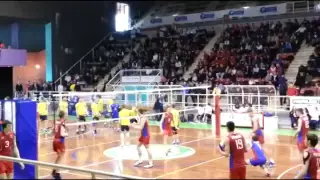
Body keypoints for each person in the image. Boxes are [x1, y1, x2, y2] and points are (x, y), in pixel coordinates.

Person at [52, 111, 68, 180]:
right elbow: (62, 134)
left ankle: (54, 171)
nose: (66, 115)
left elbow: (53, 131)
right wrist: (66, 134)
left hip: (55, 140)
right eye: (66, 114)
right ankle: (57, 174)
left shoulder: (57, 122)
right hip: (60, 141)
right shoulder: (62, 123)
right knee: (60, 157)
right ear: (63, 115)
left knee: (59, 157)